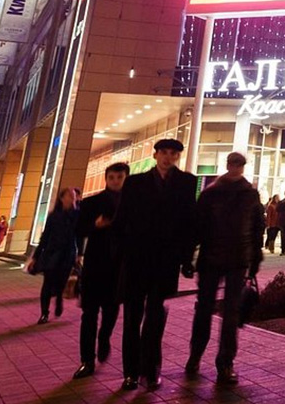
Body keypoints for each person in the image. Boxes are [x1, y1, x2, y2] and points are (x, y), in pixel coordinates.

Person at [113, 138, 197, 392]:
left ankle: (151, 369)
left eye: (172, 153)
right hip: (137, 258)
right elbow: (121, 219)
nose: (167, 157)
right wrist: (118, 255)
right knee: (132, 317)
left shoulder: (186, 182)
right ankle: (130, 372)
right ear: (156, 155)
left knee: (155, 317)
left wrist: (186, 259)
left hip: (166, 260)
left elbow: (189, 223)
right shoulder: (136, 182)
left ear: (178, 157)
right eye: (163, 152)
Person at [186, 153, 264, 385]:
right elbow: (198, 226)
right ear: (227, 165)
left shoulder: (250, 194)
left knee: (231, 313)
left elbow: (257, 228)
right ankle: (195, 355)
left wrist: (254, 259)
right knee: (204, 310)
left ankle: (225, 363)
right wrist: (188, 257)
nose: (235, 168)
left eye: (239, 165)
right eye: (233, 164)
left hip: (237, 260)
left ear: (242, 167)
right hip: (211, 258)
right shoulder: (211, 193)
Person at [71, 162, 129, 380]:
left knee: (112, 311)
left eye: (119, 177)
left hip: (118, 266)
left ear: (125, 178)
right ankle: (86, 360)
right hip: (95, 265)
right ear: (106, 178)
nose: (115, 181)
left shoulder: (131, 203)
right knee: (89, 314)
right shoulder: (92, 202)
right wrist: (95, 225)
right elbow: (78, 229)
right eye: (112, 177)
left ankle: (104, 337)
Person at [28, 187, 80, 324]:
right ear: (62, 198)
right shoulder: (53, 216)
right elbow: (45, 237)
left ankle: (58, 299)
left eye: (74, 196)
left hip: (68, 255)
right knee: (47, 283)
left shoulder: (77, 215)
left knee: (62, 282)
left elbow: (79, 236)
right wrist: (35, 256)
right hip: (52, 254)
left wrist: (80, 254)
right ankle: (44, 313)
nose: (72, 198)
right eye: (69, 195)